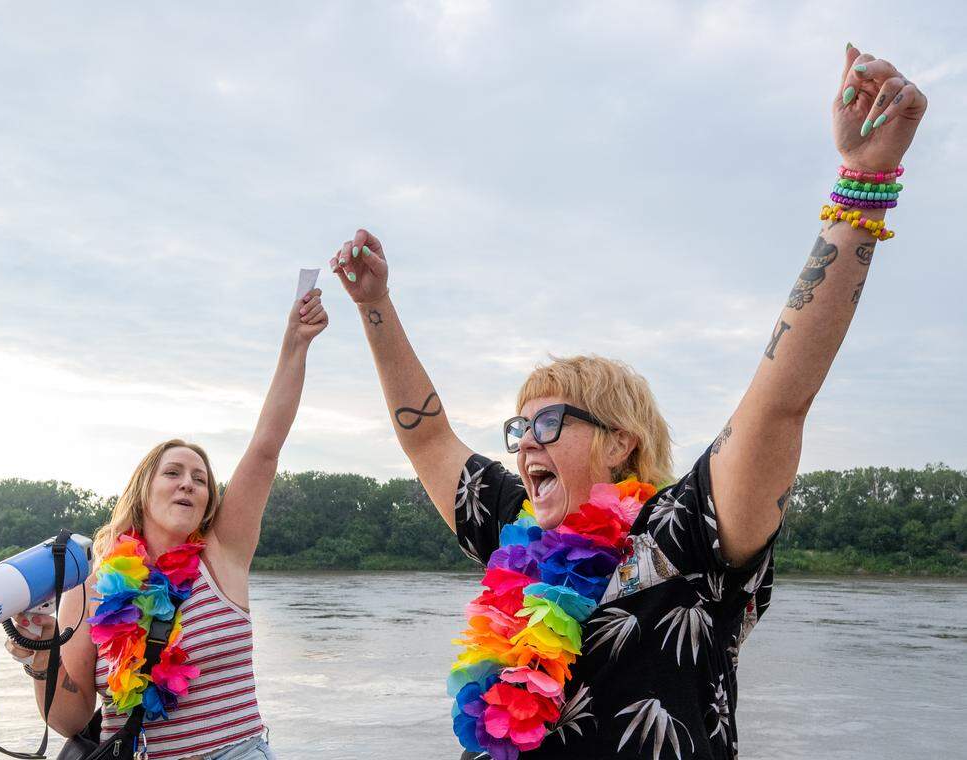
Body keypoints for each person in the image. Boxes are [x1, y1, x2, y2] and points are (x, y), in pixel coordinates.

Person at [328, 45, 926, 759]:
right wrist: (376, 304)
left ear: (621, 442)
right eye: (520, 426)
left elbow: (777, 404)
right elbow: (428, 439)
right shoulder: (518, 534)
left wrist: (862, 183)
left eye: (550, 422)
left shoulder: (685, 539)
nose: (524, 443)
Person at [5, 288, 328, 760]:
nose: (188, 484)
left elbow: (265, 447)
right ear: (143, 489)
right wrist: (39, 655)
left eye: (200, 479)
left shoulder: (224, 553)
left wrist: (295, 343)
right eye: (173, 473)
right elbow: (69, 720)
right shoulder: (89, 584)